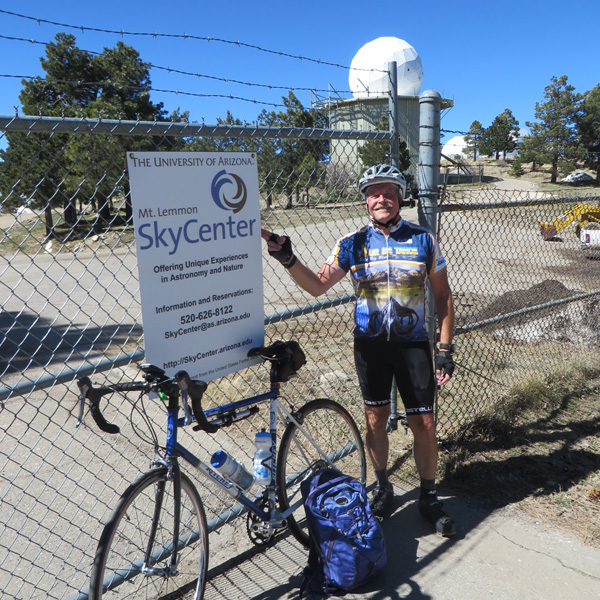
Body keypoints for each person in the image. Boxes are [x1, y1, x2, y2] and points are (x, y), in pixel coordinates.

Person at [261, 164, 456, 537]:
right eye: (373, 193)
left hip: (413, 344)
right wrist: (287, 257)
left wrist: (445, 347)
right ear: (366, 200)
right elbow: (318, 286)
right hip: (370, 346)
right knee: (375, 420)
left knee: (424, 423)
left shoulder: (424, 239)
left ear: (400, 197)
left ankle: (428, 496)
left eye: (388, 192)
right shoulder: (351, 242)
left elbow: (444, 298)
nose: (381, 199)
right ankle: (383, 486)